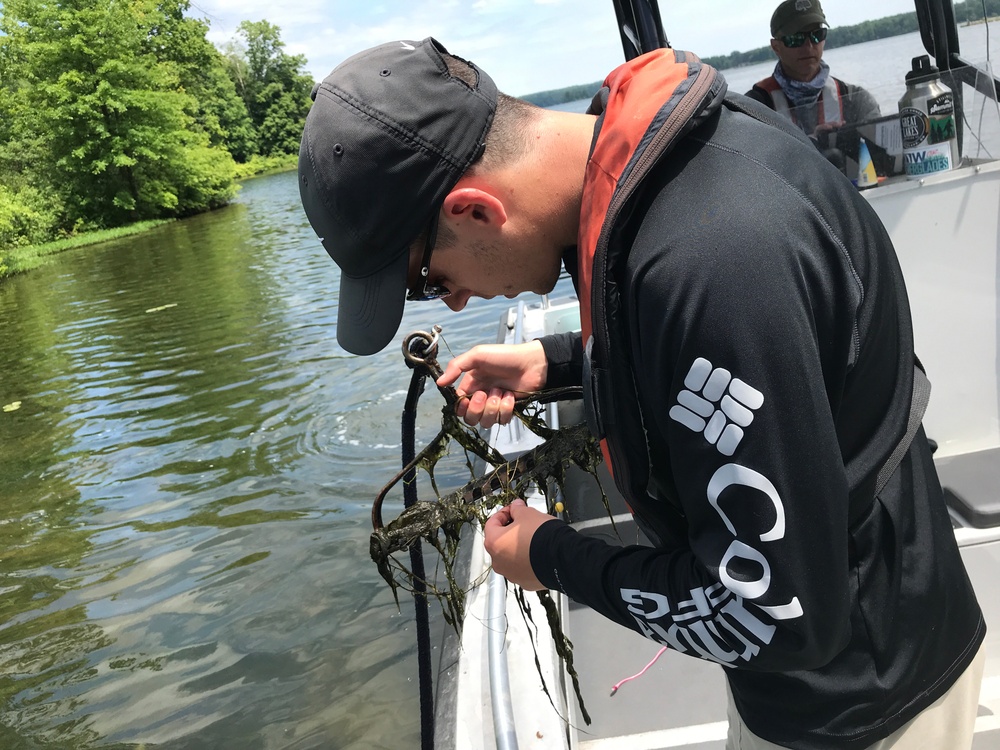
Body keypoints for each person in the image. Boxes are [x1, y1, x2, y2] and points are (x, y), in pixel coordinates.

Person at [297, 37, 985, 749]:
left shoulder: (713, 265)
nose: (459, 303)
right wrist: (557, 360)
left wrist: (553, 558)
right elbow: (717, 362)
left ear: (475, 210)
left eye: (430, 282)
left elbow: (776, 618)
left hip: (866, 697)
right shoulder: (670, 165)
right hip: (834, 664)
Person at [745, 0, 881, 139]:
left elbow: (886, 155)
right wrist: (814, 145)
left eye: (817, 35)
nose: (808, 46)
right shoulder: (752, 108)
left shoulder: (856, 100)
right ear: (776, 47)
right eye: (796, 39)